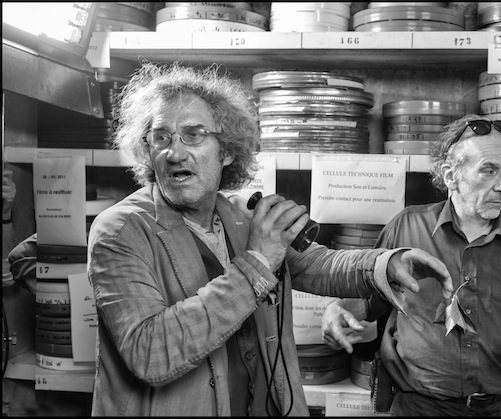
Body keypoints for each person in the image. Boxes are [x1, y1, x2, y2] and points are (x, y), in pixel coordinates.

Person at [87, 62, 453, 417]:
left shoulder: (238, 216)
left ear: (227, 150)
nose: (174, 152)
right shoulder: (120, 231)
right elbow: (150, 353)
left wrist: (384, 264)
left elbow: (318, 265)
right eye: (161, 137)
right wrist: (258, 262)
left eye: (194, 134)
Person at [321, 114, 501, 416]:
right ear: (450, 175)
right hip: (418, 408)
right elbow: (373, 300)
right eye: (489, 171)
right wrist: (339, 310)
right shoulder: (406, 228)